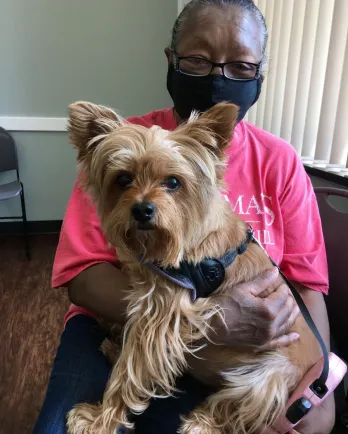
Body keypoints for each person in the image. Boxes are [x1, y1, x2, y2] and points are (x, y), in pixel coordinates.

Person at [32, 1, 335, 433]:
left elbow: (306, 285)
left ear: (260, 73)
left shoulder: (280, 161)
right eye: (198, 60)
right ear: (171, 60)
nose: (219, 78)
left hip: (252, 356)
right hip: (121, 320)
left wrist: (319, 381)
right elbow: (81, 277)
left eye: (241, 67)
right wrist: (204, 323)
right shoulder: (118, 145)